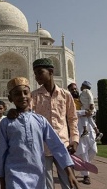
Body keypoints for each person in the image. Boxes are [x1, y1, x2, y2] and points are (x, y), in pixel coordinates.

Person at [0, 77, 79, 189]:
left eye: (25, 93)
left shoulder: (40, 120)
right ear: (10, 98)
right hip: (14, 175)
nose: (23, 96)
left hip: (37, 176)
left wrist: (69, 171)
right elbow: (1, 152)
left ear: (31, 95)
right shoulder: (6, 123)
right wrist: (2, 181)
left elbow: (56, 145)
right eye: (17, 94)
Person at [31, 58, 79, 189]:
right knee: (45, 184)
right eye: (35, 74)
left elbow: (72, 118)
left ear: (51, 72)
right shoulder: (34, 96)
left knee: (68, 182)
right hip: (42, 147)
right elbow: (27, 119)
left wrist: (74, 139)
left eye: (40, 72)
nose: (37, 77)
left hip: (62, 144)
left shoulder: (65, 95)